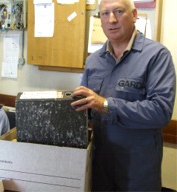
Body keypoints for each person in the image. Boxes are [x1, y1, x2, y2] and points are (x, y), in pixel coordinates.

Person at [71, 0, 176, 191]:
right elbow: (85, 110)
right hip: (100, 168)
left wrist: (106, 105)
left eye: (119, 11)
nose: (111, 20)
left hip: (138, 171)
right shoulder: (93, 61)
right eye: (105, 14)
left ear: (134, 15)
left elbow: (161, 112)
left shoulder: (157, 56)